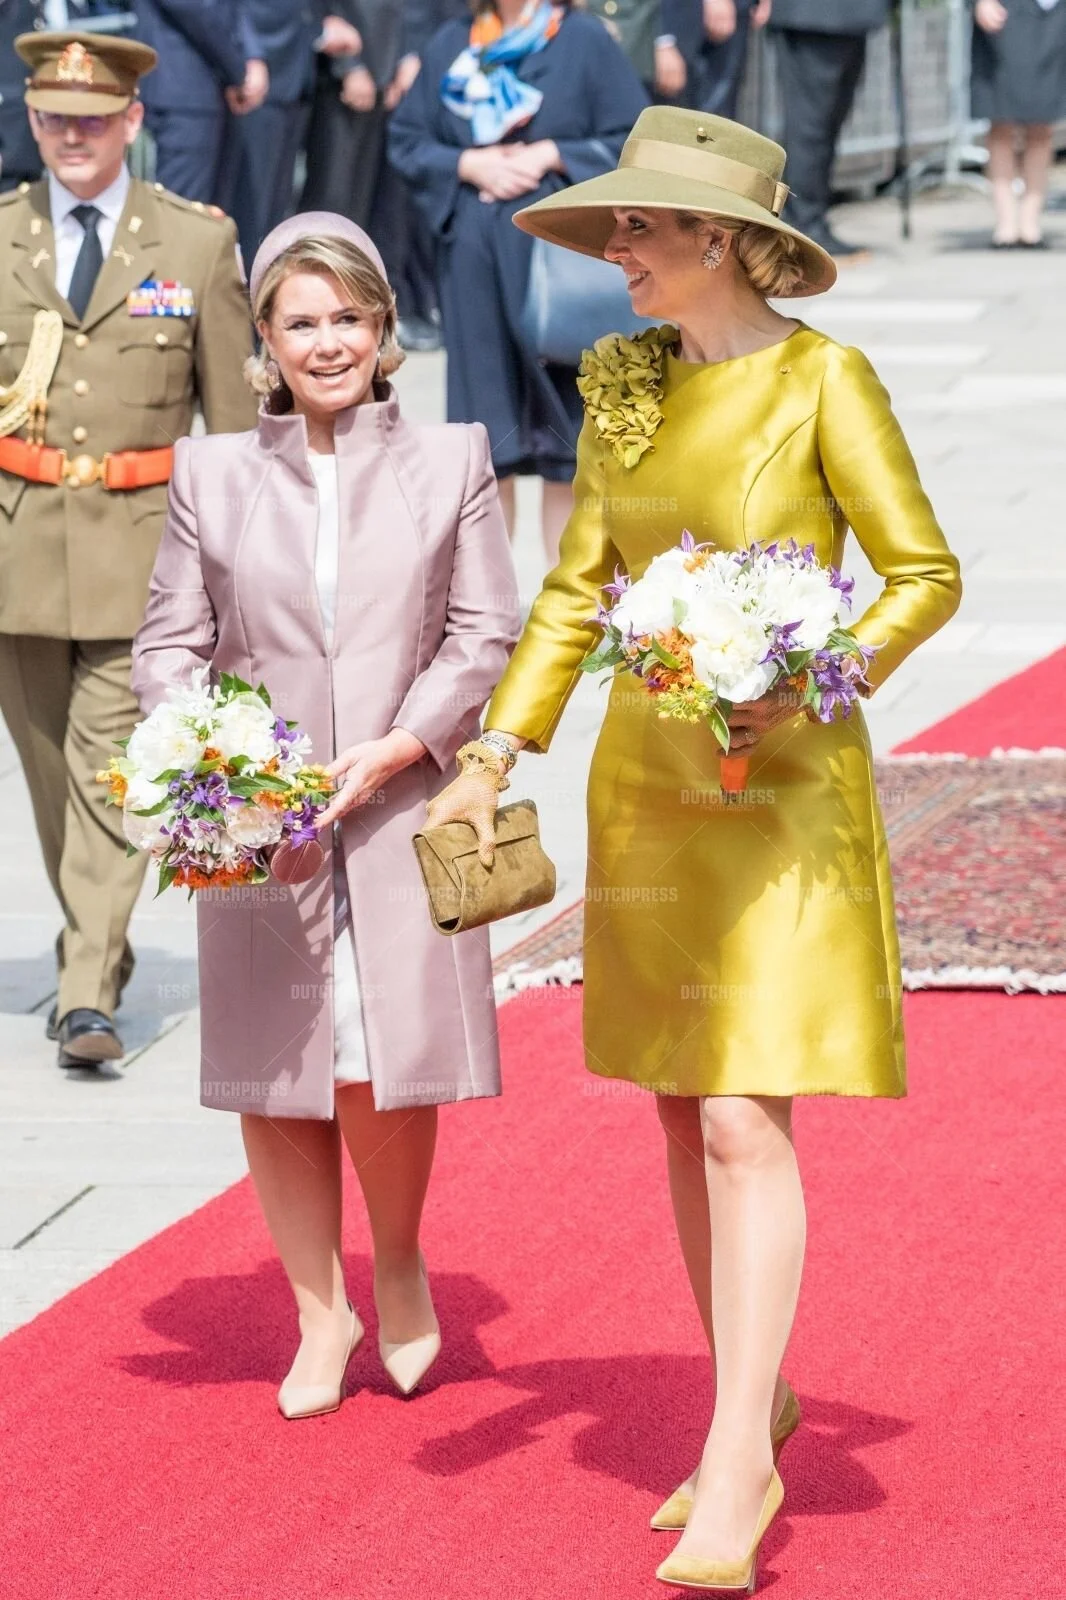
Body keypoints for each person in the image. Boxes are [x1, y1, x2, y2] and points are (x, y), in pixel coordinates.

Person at [425, 106, 962, 1590]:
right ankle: (755, 1386)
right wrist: (491, 755)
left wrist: (818, 667)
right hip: (650, 790)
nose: (617, 255)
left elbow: (922, 572)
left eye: (639, 231)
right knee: (678, 1109)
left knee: (742, 1116)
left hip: (783, 795)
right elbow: (576, 594)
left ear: (717, 238)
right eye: (614, 232)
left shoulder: (823, 380)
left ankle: (736, 1457)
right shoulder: (618, 387)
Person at [131, 213, 520, 1415]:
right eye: (301, 322)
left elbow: (484, 629)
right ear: (265, 339)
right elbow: (169, 638)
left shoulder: (452, 457)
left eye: (347, 317)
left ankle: (394, 1262)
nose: (328, 341)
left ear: (385, 326)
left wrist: (408, 741)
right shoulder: (212, 471)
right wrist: (210, 755)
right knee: (274, 1062)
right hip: (260, 826)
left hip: (398, 807)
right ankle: (317, 1309)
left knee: (375, 1056)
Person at [0, 29, 255, 1070]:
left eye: (94, 120)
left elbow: (233, 424)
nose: (74, 137)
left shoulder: (192, 243)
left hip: (141, 552)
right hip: (16, 548)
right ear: (31, 120)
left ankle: (86, 990)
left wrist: (242, 572)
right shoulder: (3, 234)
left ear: (132, 123)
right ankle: (89, 936)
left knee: (110, 772)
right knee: (50, 774)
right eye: (56, 119)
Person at [388, 0, 647, 565]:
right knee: (486, 441)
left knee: (567, 445)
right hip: (474, 273)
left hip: (561, 271)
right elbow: (406, 140)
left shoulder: (583, 41)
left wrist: (554, 153)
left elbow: (633, 139)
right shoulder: (454, 44)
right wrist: (468, 165)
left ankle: (570, 614)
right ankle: (490, 618)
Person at [766, 0, 890, 259]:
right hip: (816, 17)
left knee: (825, 124)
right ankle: (803, 224)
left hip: (839, 17)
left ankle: (810, 220)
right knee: (811, 126)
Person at [130, 0, 267, 203]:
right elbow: (196, 8)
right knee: (180, 211)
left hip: (199, 88)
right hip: (182, 91)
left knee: (205, 213)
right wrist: (239, 71)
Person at [972, 0, 1066, 249]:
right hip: (1008, 13)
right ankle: (1006, 222)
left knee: (1042, 123)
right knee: (1001, 118)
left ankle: (1030, 221)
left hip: (1054, 17)